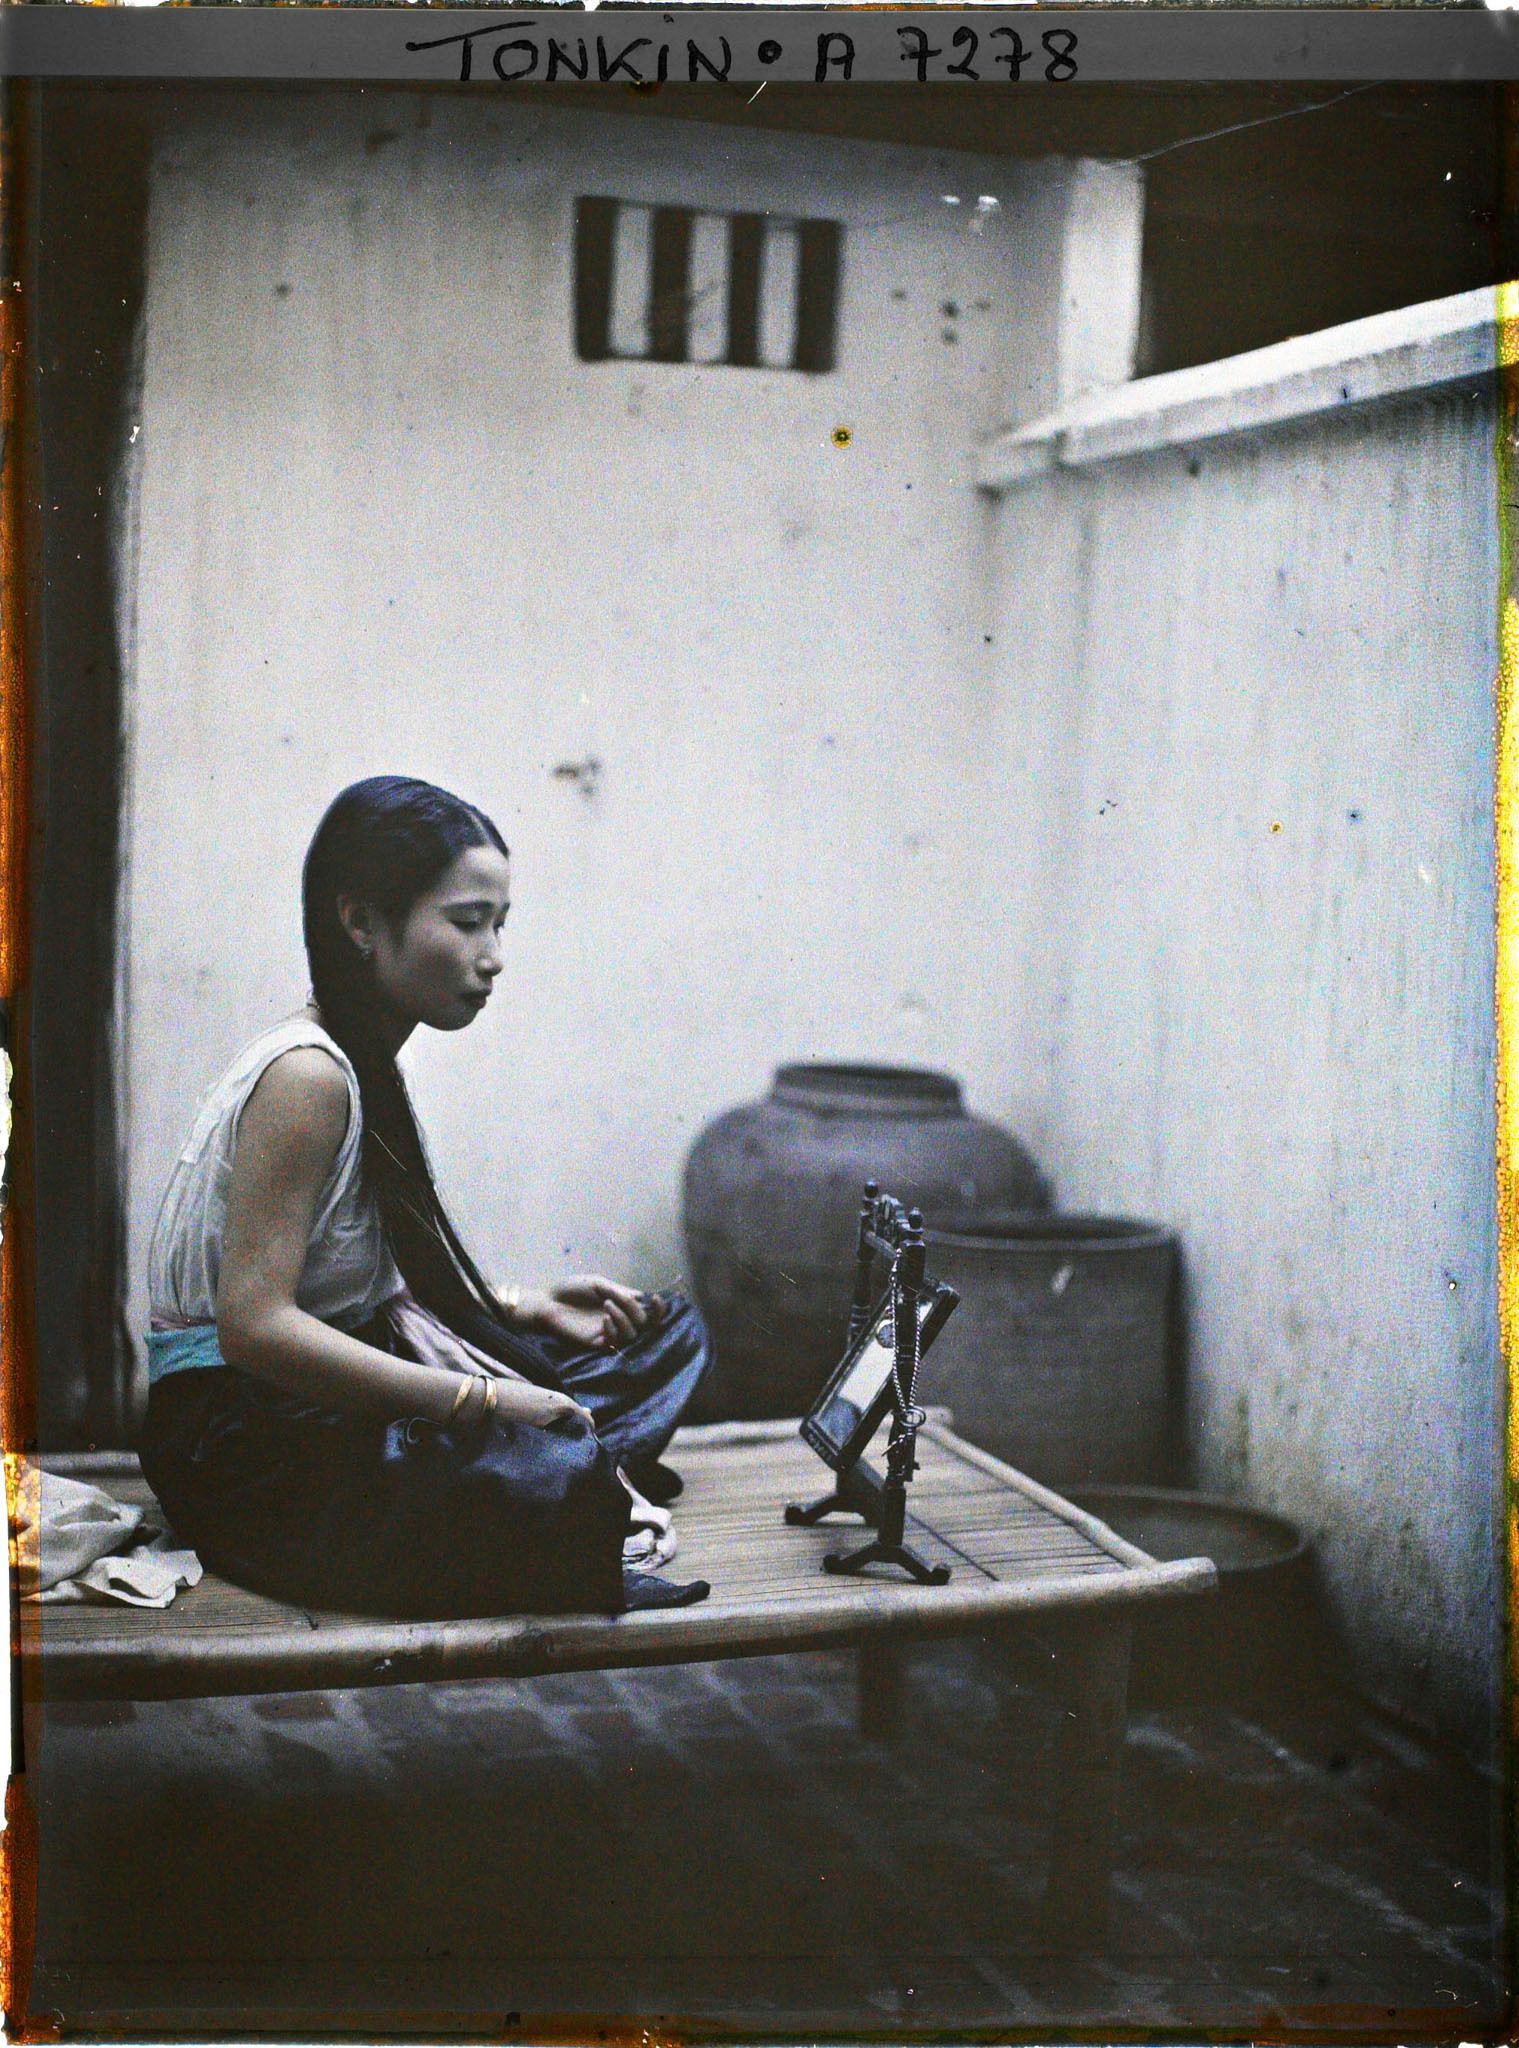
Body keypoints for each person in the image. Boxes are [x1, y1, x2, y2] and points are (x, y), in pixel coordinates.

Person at [138, 775, 713, 1618]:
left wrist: (525, 1310)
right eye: (467, 921)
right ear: (363, 921)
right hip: (246, 1439)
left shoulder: (363, 1062)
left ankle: (559, 1474)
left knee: (667, 1336)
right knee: (552, 1471)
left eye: (500, 924)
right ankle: (564, 1485)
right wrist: (489, 1399)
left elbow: (360, 1291)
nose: (493, 956)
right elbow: (255, 1328)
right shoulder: (307, 1076)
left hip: (328, 1398)